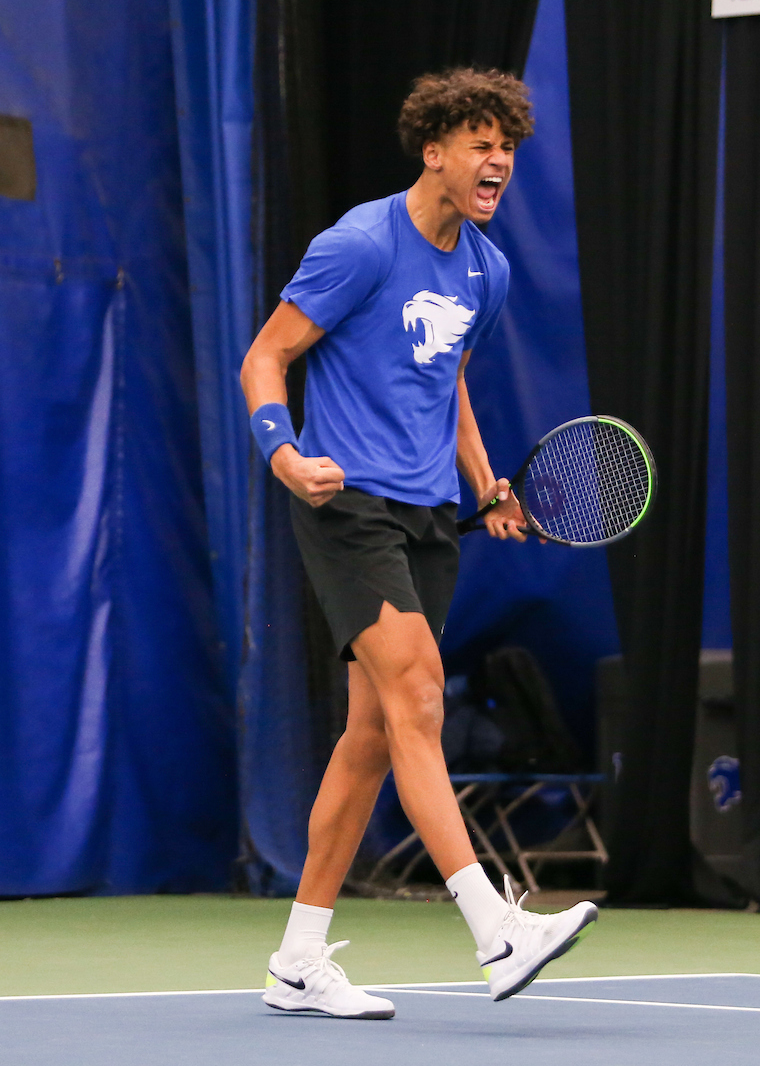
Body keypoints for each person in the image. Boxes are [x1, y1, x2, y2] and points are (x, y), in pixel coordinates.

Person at [240, 67, 597, 1020]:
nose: (499, 161)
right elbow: (266, 356)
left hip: (432, 515)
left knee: (369, 738)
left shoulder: (490, 268)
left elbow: (450, 382)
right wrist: (284, 455)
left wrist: (486, 480)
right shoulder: (359, 245)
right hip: (346, 503)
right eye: (481, 142)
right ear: (433, 150)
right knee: (422, 697)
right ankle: (496, 928)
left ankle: (298, 960)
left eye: (508, 146)